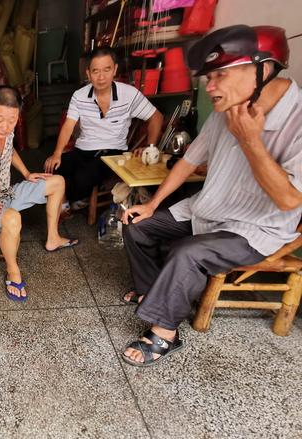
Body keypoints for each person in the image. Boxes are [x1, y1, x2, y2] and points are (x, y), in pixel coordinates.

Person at [119, 25, 302, 366]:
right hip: (208, 208)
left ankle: (164, 333)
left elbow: (290, 201)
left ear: (262, 69)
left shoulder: (298, 121)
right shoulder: (226, 110)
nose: (209, 85)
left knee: (190, 252)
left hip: (254, 228)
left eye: (219, 74)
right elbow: (189, 161)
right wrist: (152, 204)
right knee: (135, 224)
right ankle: (151, 290)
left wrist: (251, 141)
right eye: (208, 76)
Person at [0, 86, 78, 302]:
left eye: (12, 120)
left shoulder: (6, 131)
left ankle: (53, 238)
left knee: (57, 182)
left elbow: (11, 150)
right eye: (0, 119)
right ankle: (13, 271)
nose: (6, 126)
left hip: (6, 193)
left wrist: (26, 173)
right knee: (12, 218)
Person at [44, 47, 163, 212]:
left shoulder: (129, 94)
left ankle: (73, 198)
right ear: (88, 73)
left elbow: (156, 117)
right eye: (95, 71)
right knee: (52, 168)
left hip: (113, 153)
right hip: (83, 150)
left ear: (114, 69)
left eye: (106, 70)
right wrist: (57, 153)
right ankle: (66, 205)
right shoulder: (79, 96)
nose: (101, 77)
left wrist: (151, 147)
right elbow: (68, 125)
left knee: (82, 178)